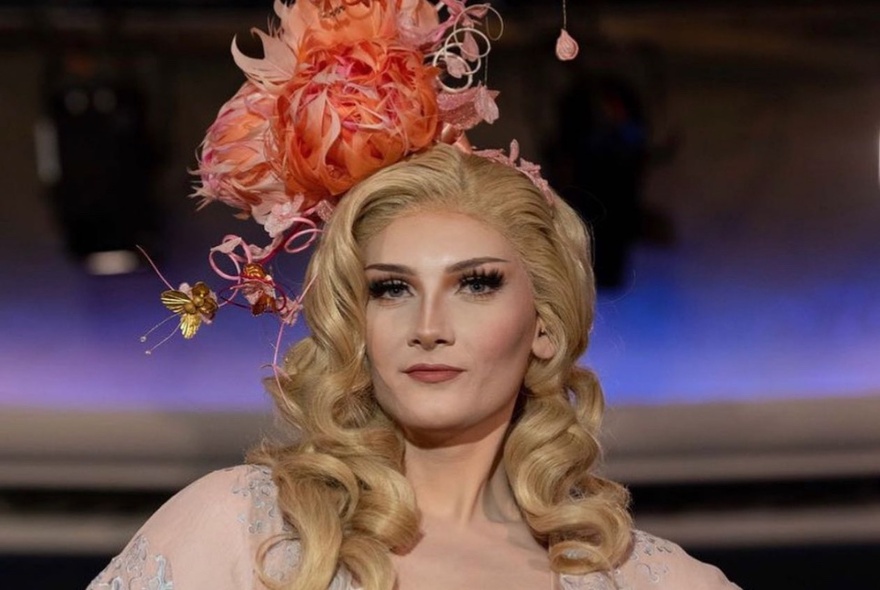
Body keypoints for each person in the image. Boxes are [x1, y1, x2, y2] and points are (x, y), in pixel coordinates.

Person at [88, 2, 741, 589]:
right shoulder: (243, 531)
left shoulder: (653, 582)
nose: (428, 325)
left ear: (544, 322)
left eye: (476, 284)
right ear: (358, 321)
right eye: (393, 288)